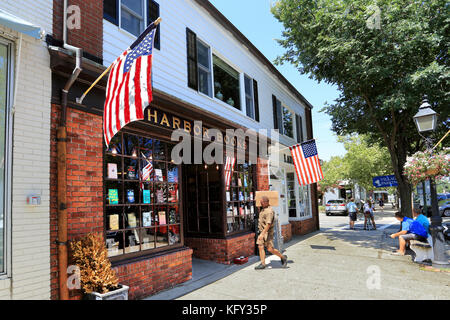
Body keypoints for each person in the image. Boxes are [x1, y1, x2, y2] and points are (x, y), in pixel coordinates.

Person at [255, 196, 288, 270]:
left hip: (267, 233)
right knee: (260, 246)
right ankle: (263, 264)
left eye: (262, 202)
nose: (260, 203)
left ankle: (283, 257)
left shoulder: (269, 211)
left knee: (270, 249)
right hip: (262, 232)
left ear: (266, 202)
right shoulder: (263, 209)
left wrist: (262, 234)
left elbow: (268, 224)